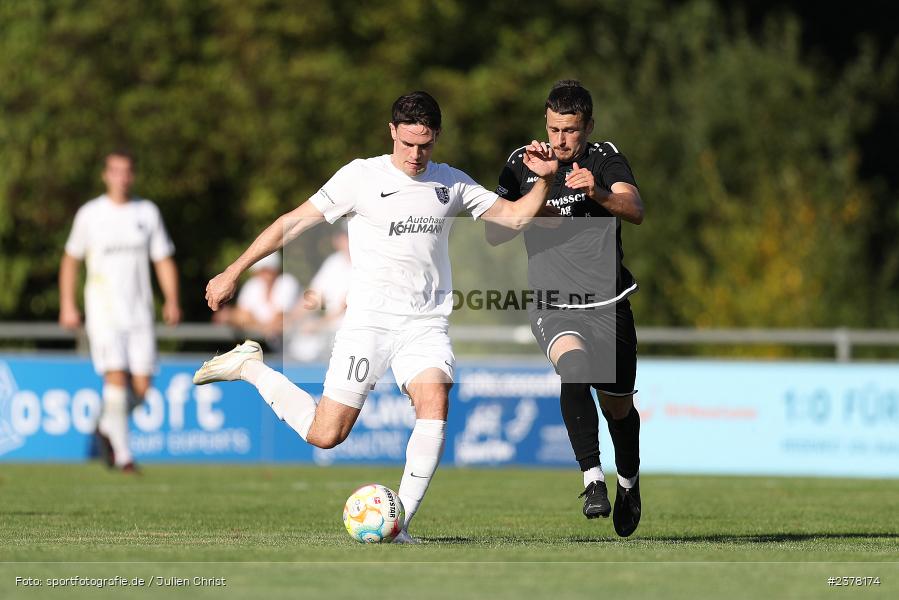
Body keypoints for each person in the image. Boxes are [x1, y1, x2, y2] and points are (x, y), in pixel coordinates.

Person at [193, 91, 559, 543]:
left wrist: (543, 182)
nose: (415, 154)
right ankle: (249, 366)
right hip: (368, 324)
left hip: (425, 325)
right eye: (407, 143)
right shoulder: (359, 177)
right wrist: (233, 270)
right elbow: (291, 222)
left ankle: (400, 527)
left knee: (435, 403)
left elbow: (513, 219)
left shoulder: (452, 183)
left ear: (437, 137)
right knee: (326, 435)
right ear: (392, 132)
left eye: (424, 144)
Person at [487, 80, 645, 537]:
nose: (560, 139)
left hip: (609, 304)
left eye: (570, 130)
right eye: (554, 128)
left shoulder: (603, 158)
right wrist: (542, 185)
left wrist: (596, 193)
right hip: (553, 303)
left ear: (588, 128)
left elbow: (634, 209)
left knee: (618, 409)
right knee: (572, 369)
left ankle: (629, 482)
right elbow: (495, 233)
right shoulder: (523, 163)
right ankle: (592, 480)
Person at [59, 150, 181, 472]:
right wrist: (68, 304)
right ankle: (124, 456)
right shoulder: (90, 214)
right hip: (104, 312)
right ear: (105, 175)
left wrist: (172, 299)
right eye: (116, 171)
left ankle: (106, 426)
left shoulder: (147, 212)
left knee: (141, 390)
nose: (122, 177)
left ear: (133, 175)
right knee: (115, 376)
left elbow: (163, 258)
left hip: (140, 313)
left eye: (127, 171)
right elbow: (70, 259)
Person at [287, 225, 352, 362]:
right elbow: (314, 296)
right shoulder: (334, 262)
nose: (345, 240)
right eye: (343, 236)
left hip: (353, 337)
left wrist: (318, 325)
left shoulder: (367, 263)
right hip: (330, 337)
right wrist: (289, 320)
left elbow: (347, 305)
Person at [212, 250, 301, 349]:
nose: (262, 275)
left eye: (265, 270)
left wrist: (244, 320)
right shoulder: (253, 285)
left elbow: (279, 320)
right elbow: (241, 316)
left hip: (301, 350)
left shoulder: (287, 283)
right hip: (279, 351)